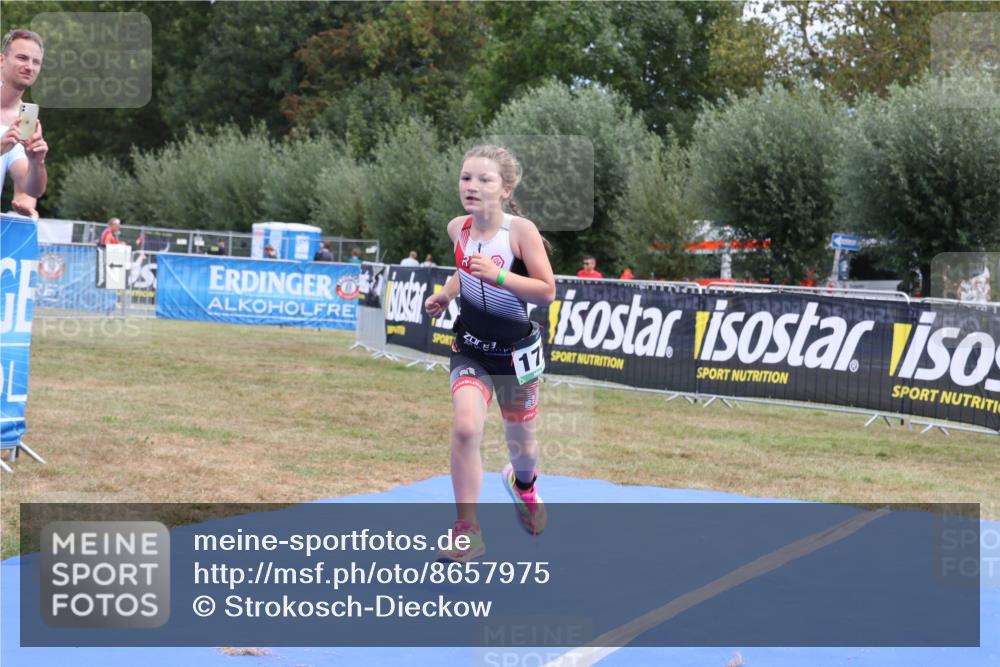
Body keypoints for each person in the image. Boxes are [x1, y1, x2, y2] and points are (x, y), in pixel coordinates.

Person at [424, 145, 555, 562]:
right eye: (466, 178)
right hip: (472, 351)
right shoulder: (456, 229)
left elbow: (547, 292)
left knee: (523, 448)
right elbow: (463, 272)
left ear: (505, 188)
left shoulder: (521, 232)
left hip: (516, 355)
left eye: (485, 180)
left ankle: (524, 485)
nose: (473, 187)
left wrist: (500, 275)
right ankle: (468, 530)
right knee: (465, 428)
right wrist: (445, 295)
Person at [0, 29, 48, 217]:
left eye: (35, 62)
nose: (29, 67)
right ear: (2, 61)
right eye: (22, 58)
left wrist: (37, 164)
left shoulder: (25, 120)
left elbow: (30, 188)